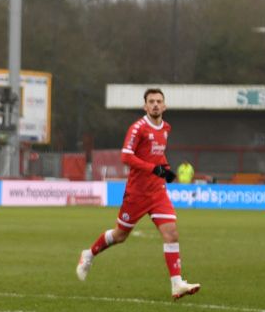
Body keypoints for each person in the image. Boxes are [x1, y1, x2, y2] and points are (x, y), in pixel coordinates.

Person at [76, 88, 200, 300]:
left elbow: (158, 156)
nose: (155, 105)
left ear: (164, 106)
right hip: (137, 193)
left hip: (158, 191)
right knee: (120, 235)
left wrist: (165, 170)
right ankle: (89, 254)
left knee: (171, 233)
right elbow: (126, 156)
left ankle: (177, 284)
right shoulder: (138, 128)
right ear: (145, 106)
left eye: (159, 101)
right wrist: (154, 169)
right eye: (151, 101)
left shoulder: (166, 128)